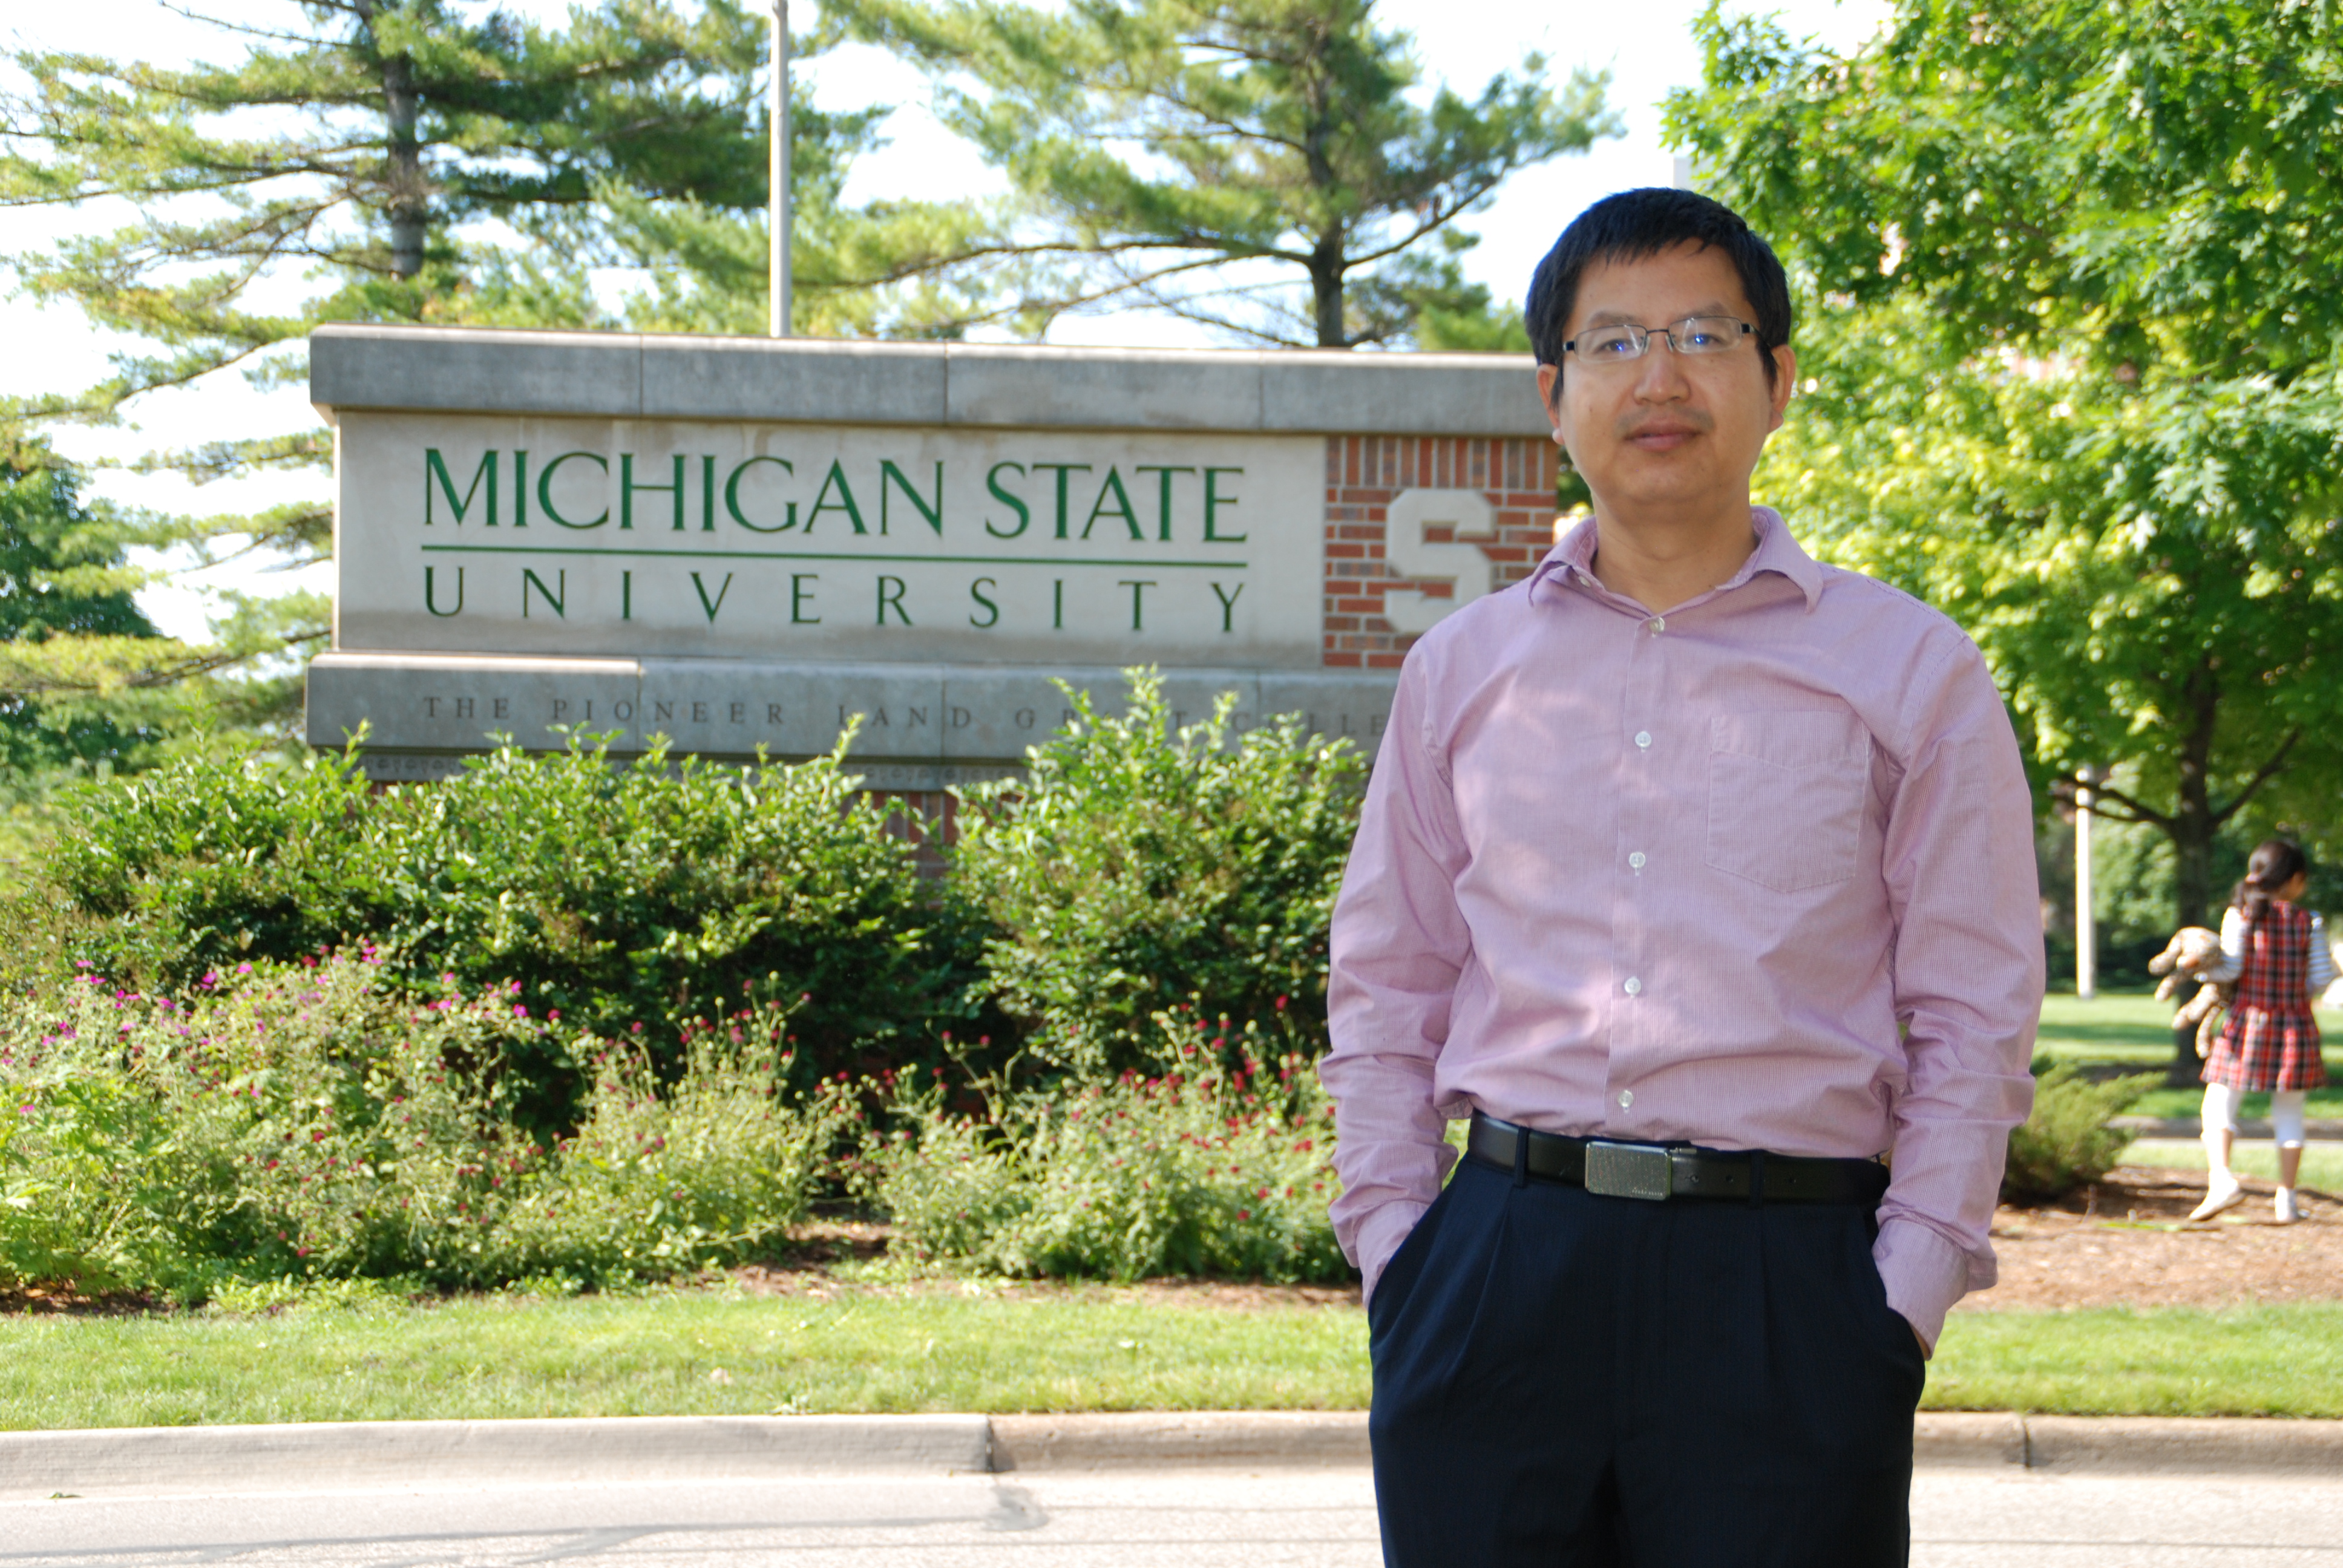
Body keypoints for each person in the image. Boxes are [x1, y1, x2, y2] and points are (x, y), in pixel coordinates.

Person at [1320, 187, 2043, 1567]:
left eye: (1704, 335)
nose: (1659, 378)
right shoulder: (1462, 672)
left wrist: (1903, 1293)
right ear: (1553, 395)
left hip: (1788, 1295)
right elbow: (1388, 978)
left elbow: (1975, 1005)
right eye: (1613, 342)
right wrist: (1398, 1251)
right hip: (1495, 1272)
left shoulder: (1912, 671)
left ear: (1777, 380)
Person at [2190, 838, 2332, 1224]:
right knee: (2290, 1112)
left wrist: (2201, 973)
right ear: (2295, 879)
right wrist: (2295, 992)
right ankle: (2287, 1199)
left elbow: (2231, 969)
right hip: (2296, 1025)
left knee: (2219, 1103)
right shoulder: (2310, 921)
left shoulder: (2240, 915)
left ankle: (2222, 1181)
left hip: (2247, 1023)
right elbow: (2322, 977)